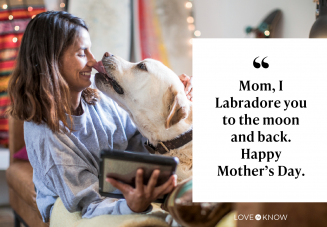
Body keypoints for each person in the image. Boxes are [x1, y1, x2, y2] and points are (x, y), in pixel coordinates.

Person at [8, 11, 193, 223]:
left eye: (89, 50)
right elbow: (87, 202)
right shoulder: (48, 136)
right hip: (77, 205)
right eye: (80, 53)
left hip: (114, 189)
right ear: (50, 62)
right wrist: (133, 205)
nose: (92, 61)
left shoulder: (99, 101)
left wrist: (169, 96)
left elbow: (141, 142)